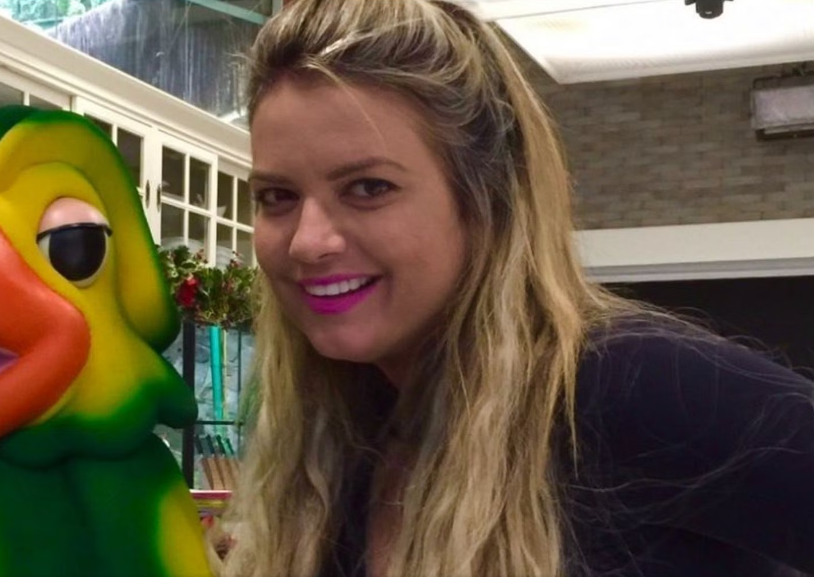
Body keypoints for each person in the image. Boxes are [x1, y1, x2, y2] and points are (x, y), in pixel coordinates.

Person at [216, 0, 814, 575]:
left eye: (369, 188)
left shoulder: (630, 389)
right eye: (278, 197)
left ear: (487, 201)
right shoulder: (343, 440)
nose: (307, 242)